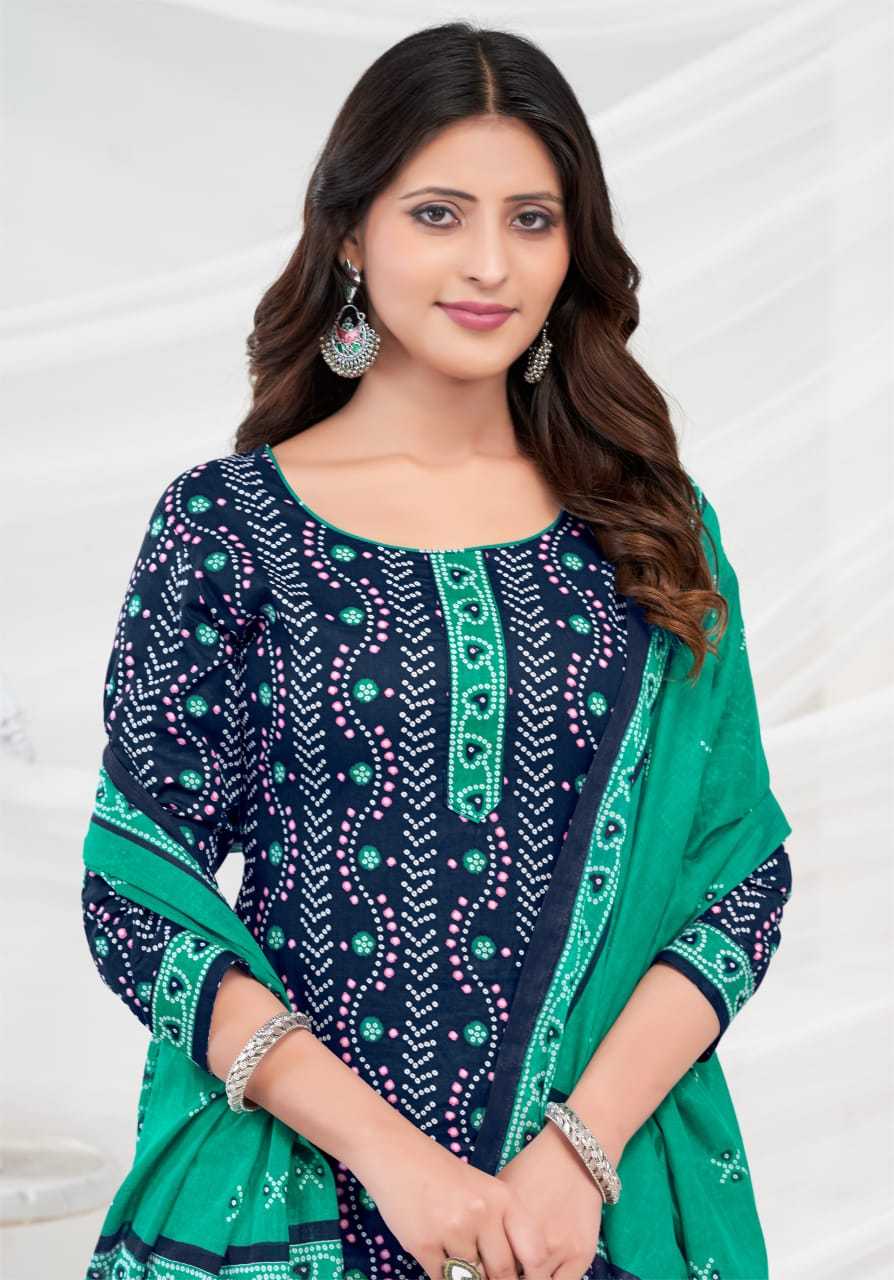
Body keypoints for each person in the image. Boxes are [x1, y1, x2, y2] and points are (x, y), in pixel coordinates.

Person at [80, 20, 793, 1280]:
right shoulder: (227, 528)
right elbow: (139, 891)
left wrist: (575, 1156)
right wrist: (394, 1161)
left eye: (533, 219)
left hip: (586, 1219)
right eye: (438, 213)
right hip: (300, 1200)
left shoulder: (650, 529)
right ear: (351, 234)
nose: (489, 263)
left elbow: (737, 876)